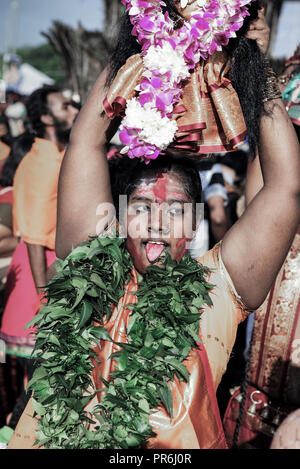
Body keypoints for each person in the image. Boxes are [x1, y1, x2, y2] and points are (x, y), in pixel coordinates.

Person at [8, 1, 300, 450]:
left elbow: (286, 187)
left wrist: (245, 57)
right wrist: (146, 34)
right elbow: (87, 138)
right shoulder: (90, 270)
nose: (159, 224)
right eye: (143, 207)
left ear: (195, 224)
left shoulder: (216, 293)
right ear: (118, 216)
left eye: (177, 210)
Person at [0, 86, 78, 429]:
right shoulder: (38, 163)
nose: (74, 109)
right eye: (65, 106)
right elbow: (32, 236)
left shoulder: (62, 155)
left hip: (52, 275)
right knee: (37, 393)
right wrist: (47, 299)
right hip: (38, 281)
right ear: (46, 118)